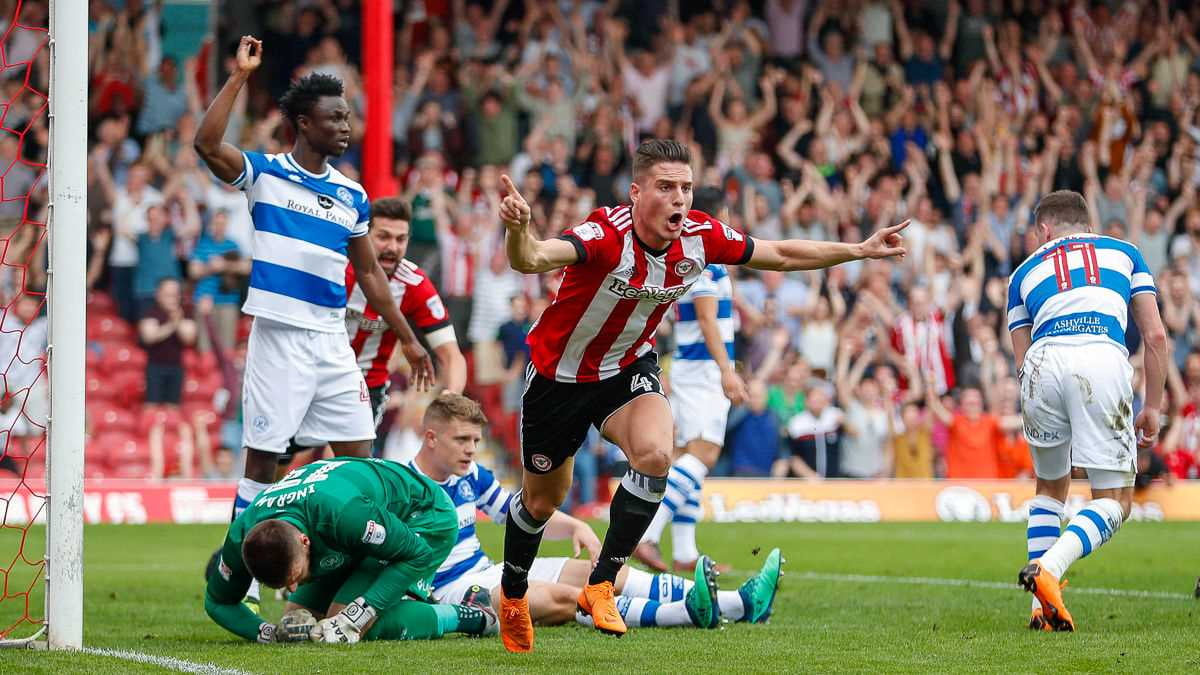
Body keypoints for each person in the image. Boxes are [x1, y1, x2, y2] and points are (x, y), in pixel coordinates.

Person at [496, 138, 907, 651]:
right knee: (541, 502)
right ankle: (513, 596)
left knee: (657, 454)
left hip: (625, 367)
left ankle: (600, 585)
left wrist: (860, 250)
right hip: (557, 377)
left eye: (686, 188)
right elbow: (532, 257)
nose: (679, 199)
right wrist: (518, 231)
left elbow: (777, 254)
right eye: (666, 187)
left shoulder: (701, 236)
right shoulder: (605, 233)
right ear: (636, 192)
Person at [194, 36, 433, 607]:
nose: (346, 126)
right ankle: (237, 578)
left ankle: (352, 575)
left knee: (361, 461)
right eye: (335, 117)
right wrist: (239, 77)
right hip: (278, 334)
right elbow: (206, 143)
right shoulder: (264, 173)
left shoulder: (352, 195)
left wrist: (410, 339)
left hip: (331, 339)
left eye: (348, 116)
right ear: (304, 123)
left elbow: (372, 276)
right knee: (263, 460)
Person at [409, 393, 781, 630]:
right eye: (461, 440)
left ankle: (740, 603)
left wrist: (574, 526)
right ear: (430, 438)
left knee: (600, 573)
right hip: (456, 593)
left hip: (490, 570)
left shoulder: (470, 474)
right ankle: (686, 611)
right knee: (559, 596)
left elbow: (513, 511)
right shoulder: (402, 487)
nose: (471, 450)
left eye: (475, 440)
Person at [1007, 190, 1167, 632]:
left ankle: (1039, 609)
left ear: (1044, 230)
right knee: (1116, 501)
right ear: (1088, 222)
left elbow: (1020, 359)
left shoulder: (1022, 272)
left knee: (1050, 487)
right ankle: (1050, 570)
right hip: (1100, 355)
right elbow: (1153, 337)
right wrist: (1152, 406)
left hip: (1042, 360)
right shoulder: (1125, 253)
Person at [204, 456, 496, 644]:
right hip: (353, 529)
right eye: (280, 585)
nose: (292, 587)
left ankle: (470, 614)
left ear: (306, 542)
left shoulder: (344, 514)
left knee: (343, 623)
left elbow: (415, 552)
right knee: (296, 622)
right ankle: (402, 601)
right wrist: (265, 633)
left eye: (293, 576)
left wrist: (362, 612)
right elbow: (217, 602)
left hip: (421, 515)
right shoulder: (241, 536)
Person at [635, 186, 748, 574]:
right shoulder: (706, 263)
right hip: (701, 371)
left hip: (691, 366)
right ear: (717, 219)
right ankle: (647, 535)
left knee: (687, 456)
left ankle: (685, 551)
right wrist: (726, 371)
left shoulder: (695, 260)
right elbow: (705, 318)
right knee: (704, 454)